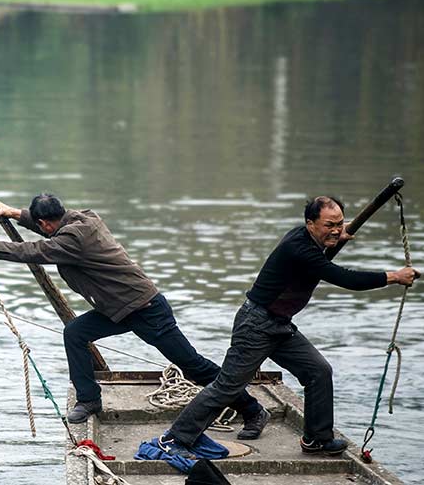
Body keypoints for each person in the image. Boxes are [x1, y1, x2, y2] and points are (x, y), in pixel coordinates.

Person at [0, 193, 270, 439]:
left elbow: (38, 250)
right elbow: (48, 232)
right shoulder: (82, 218)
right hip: (118, 309)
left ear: (46, 223)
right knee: (76, 333)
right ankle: (90, 399)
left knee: (193, 365)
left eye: (42, 224)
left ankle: (253, 410)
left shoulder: (71, 239)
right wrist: (14, 213)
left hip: (146, 309)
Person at [162, 196, 419, 457]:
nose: (336, 229)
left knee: (318, 371)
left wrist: (335, 234)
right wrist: (394, 277)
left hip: (280, 325)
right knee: (227, 387)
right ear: (310, 224)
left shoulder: (310, 238)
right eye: (329, 224)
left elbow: (328, 240)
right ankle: (175, 439)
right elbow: (345, 278)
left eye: (340, 224)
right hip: (256, 325)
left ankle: (317, 439)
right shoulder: (301, 249)